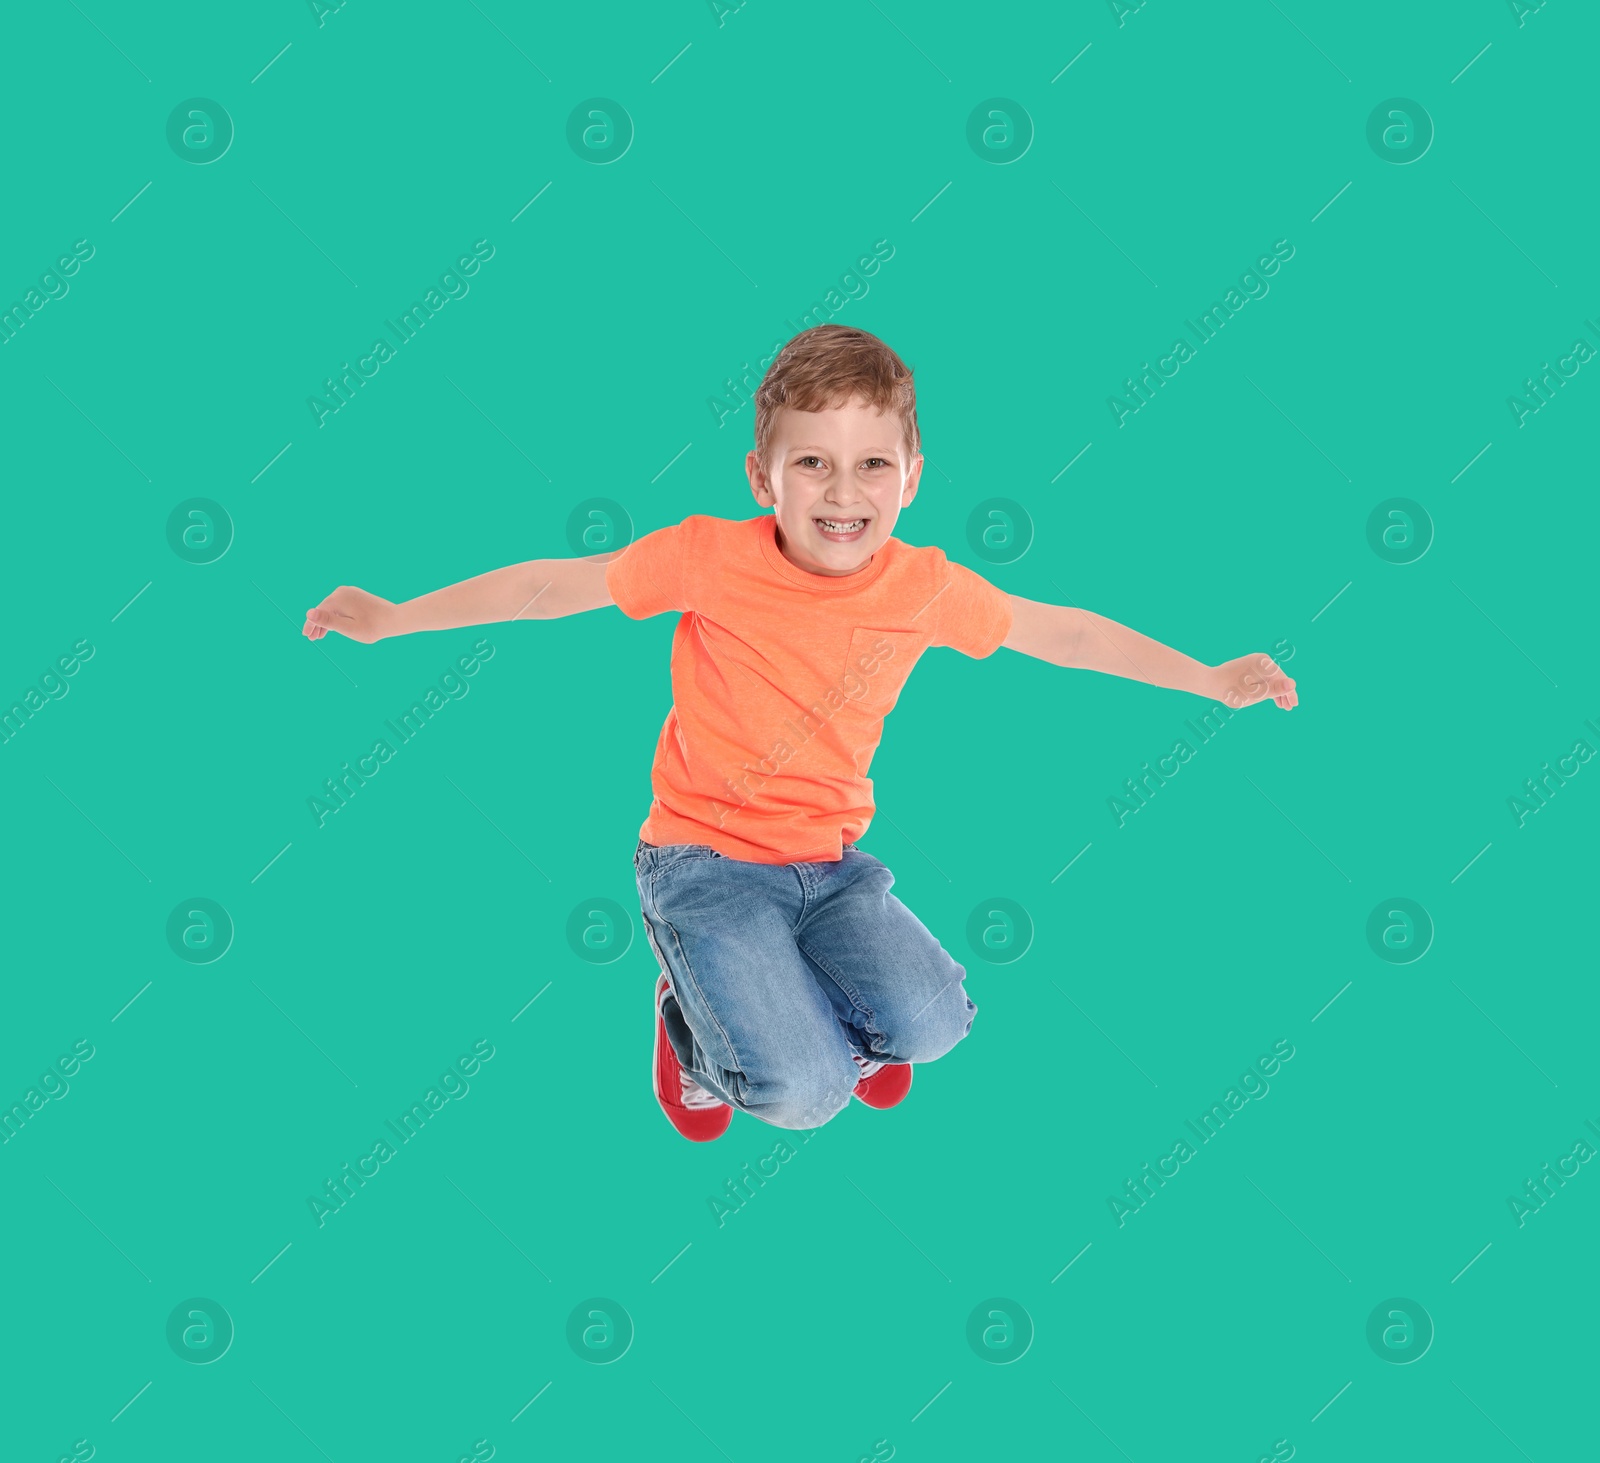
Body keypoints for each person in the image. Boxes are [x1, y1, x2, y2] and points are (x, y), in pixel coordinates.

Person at [302, 324, 1297, 1143]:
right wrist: (395, 615)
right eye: (811, 463)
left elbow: (1064, 632)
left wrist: (1207, 678)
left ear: (911, 476)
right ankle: (690, 1029)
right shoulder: (707, 558)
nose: (842, 492)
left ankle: (778, 1000)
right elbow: (548, 584)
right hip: (700, 862)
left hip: (828, 868)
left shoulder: (926, 587)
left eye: (871, 464)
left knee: (935, 1025)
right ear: (761, 475)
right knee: (806, 1096)